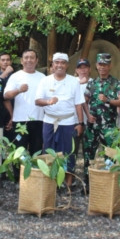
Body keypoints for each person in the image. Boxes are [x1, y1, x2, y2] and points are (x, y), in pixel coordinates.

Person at [35, 53, 85, 186]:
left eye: (63, 63)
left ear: (67, 65)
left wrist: (80, 123)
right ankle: (50, 182)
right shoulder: (45, 81)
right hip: (49, 121)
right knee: (49, 150)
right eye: (57, 62)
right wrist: (48, 101)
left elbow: (78, 104)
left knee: (68, 151)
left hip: (68, 121)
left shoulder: (74, 81)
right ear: (52, 64)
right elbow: (37, 101)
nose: (60, 65)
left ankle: (68, 183)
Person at [84, 53, 120, 188]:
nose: (103, 67)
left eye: (105, 65)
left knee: (110, 155)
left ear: (110, 66)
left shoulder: (116, 83)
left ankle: (109, 184)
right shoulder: (92, 83)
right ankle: (88, 184)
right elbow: (84, 101)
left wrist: (108, 100)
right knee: (89, 155)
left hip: (109, 127)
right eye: (100, 64)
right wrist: (87, 115)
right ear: (96, 66)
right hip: (92, 126)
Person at [4, 49, 45, 179]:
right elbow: (6, 95)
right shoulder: (15, 76)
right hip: (20, 121)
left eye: (32, 57)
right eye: (26, 57)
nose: (29, 60)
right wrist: (19, 90)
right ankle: (19, 178)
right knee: (19, 150)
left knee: (36, 150)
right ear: (21, 61)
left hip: (38, 120)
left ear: (37, 61)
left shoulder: (43, 77)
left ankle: (34, 178)